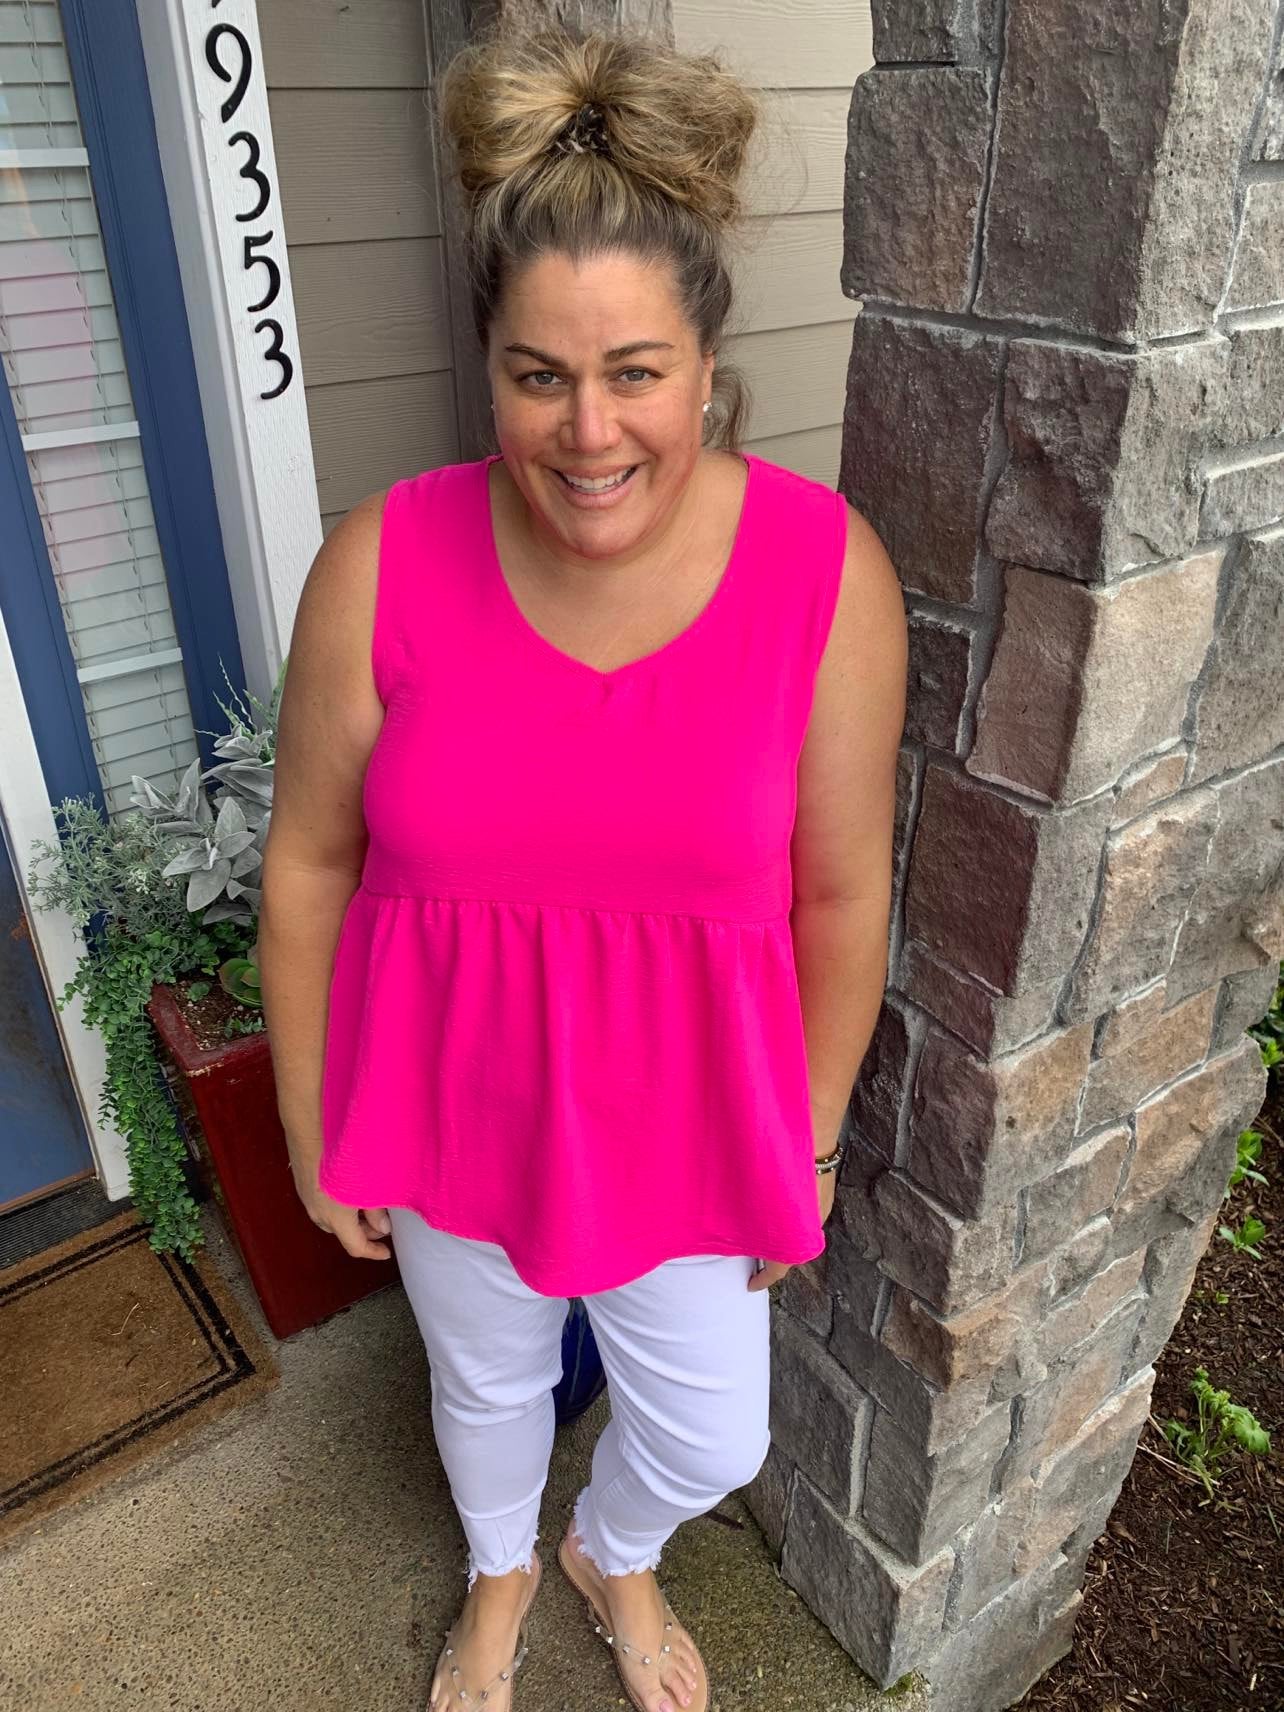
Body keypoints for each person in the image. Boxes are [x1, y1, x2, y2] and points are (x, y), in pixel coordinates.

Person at [258, 21, 907, 1712]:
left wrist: (807, 1143)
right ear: (490, 371)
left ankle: (610, 1548)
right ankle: (498, 1572)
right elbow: (310, 863)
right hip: (448, 1094)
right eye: (539, 374)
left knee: (711, 1428)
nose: (588, 428)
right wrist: (316, 1124)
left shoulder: (822, 575)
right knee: (482, 1384)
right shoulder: (380, 562)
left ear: (707, 364)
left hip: (692, 1113)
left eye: (634, 371)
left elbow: (842, 897)